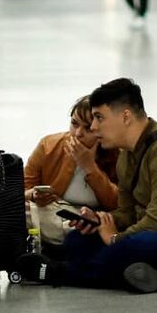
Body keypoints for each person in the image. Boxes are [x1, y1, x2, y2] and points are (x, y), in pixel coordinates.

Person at [17, 78, 157, 293]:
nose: (94, 127)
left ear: (125, 116)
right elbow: (126, 212)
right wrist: (100, 221)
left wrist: (115, 238)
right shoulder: (127, 154)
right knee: (78, 239)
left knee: (137, 244)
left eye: (98, 117)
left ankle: (59, 274)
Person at [24, 95, 120, 252]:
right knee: (18, 211)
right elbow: (22, 190)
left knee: (92, 227)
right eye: (74, 124)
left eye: (87, 128)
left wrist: (89, 167)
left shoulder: (118, 152)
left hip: (96, 218)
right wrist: (33, 195)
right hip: (54, 212)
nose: (77, 133)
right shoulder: (48, 145)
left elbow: (118, 204)